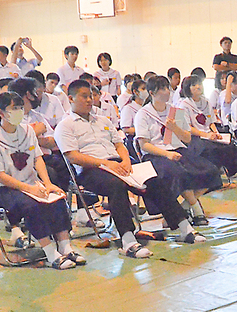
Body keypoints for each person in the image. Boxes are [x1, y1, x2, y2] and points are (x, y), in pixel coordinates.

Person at [54, 80, 205, 258]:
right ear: (70, 98)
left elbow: (119, 144)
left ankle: (184, 227)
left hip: (119, 162)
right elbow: (72, 156)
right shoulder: (65, 125)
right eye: (84, 96)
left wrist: (126, 160)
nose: (89, 100)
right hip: (91, 169)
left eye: (91, 96)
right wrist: (104, 164)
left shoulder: (102, 120)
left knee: (153, 179)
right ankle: (128, 240)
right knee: (116, 185)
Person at [0, 91, 83, 270]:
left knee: (57, 197)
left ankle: (65, 246)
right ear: (1, 113)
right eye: (14, 109)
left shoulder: (28, 130)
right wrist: (29, 189)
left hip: (29, 184)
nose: (19, 112)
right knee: (31, 205)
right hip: (2, 189)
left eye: (21, 108)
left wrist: (48, 183)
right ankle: (50, 251)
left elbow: (37, 159)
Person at [134, 75, 222, 226]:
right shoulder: (143, 114)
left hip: (178, 149)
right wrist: (167, 154)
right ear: (152, 93)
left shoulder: (175, 111)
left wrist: (175, 128)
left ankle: (183, 208)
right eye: (162, 89)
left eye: (167, 88)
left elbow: (187, 138)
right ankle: (196, 208)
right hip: (156, 155)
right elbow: (144, 145)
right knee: (179, 173)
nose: (167, 91)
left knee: (211, 170)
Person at [177, 73, 237, 182]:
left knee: (230, 146)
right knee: (210, 149)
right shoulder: (183, 104)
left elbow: (211, 122)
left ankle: (231, 173)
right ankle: (212, 178)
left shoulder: (206, 102)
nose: (198, 87)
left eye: (199, 84)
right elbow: (188, 127)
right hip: (194, 137)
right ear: (188, 89)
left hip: (209, 134)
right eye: (194, 85)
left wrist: (216, 133)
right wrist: (206, 135)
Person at [9, 77, 70, 193]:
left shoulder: (37, 116)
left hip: (47, 156)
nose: (38, 96)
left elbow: (52, 141)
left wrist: (37, 139)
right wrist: (36, 133)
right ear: (28, 94)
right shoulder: (11, 118)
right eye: (35, 92)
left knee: (65, 166)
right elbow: (15, 143)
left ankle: (64, 201)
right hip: (25, 161)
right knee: (50, 173)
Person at [119, 79, 148, 162]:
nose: (146, 91)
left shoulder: (148, 107)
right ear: (136, 92)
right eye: (143, 89)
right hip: (134, 140)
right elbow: (126, 129)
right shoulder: (128, 108)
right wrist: (142, 130)